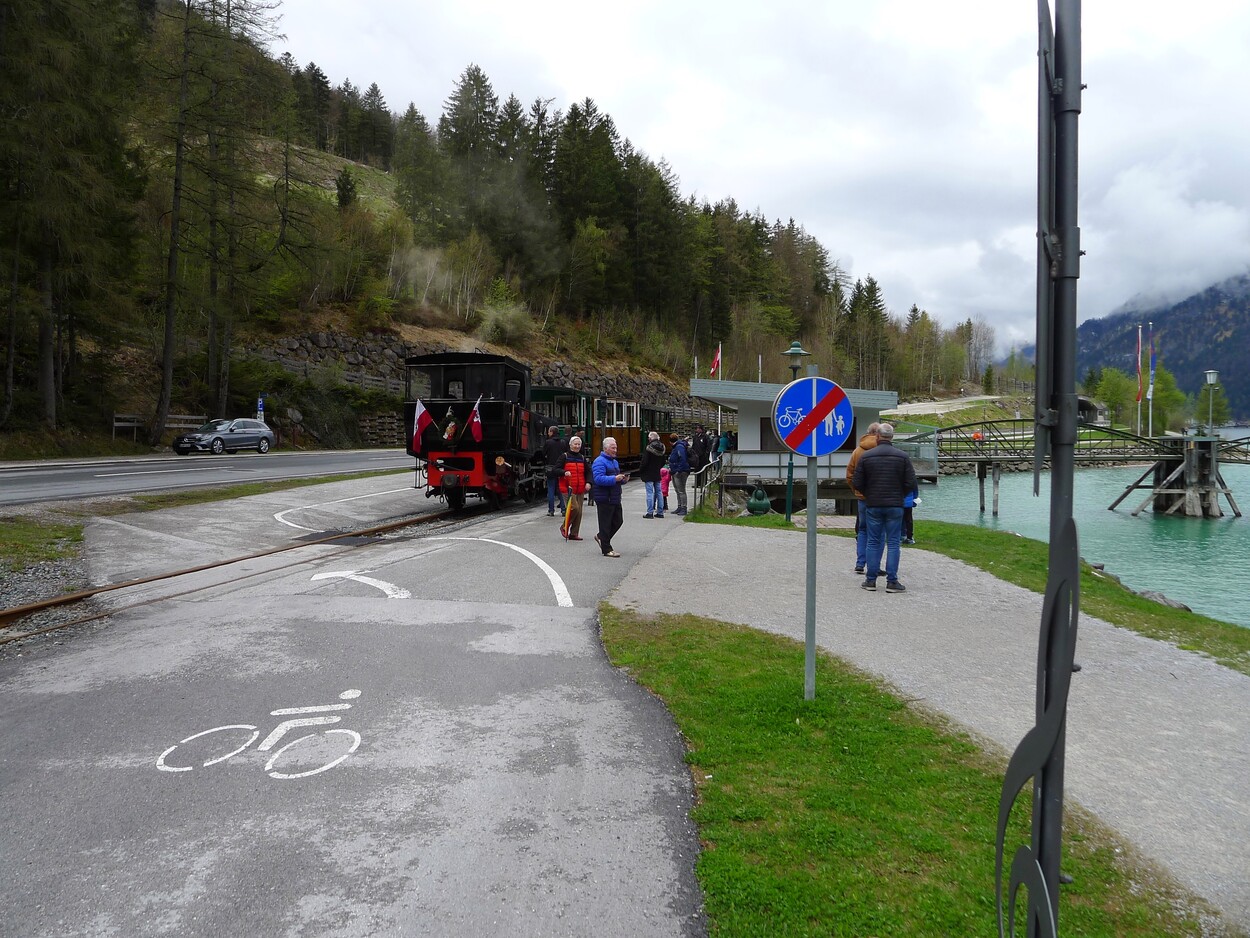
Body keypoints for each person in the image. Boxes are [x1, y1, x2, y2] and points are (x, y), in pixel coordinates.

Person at [852, 422, 917, 593]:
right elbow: (910, 482)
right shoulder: (902, 457)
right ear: (892, 437)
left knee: (873, 541)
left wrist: (869, 494)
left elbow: (857, 482)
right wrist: (899, 494)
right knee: (894, 542)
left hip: (873, 504)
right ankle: (892, 581)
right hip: (895, 505)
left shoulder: (866, 457)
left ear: (878, 436)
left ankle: (870, 580)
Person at [845, 422, 880, 576]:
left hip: (862, 497)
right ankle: (875, 566)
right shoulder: (883, 450)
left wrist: (856, 491)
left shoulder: (857, 451)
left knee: (863, 530)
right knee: (878, 532)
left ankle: (860, 563)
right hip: (879, 497)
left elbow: (849, 475)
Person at [591, 436, 628, 557]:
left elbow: (615, 477)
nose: (615, 450)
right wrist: (614, 479)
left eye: (616, 447)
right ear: (606, 448)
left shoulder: (614, 461)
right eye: (613, 448)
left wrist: (622, 479)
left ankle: (601, 537)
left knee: (618, 521)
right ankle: (606, 549)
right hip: (604, 497)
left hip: (614, 496)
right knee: (605, 523)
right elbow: (598, 479)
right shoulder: (599, 462)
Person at [559, 436, 590, 540]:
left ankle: (574, 533)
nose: (577, 446)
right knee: (575, 508)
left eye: (578, 445)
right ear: (570, 445)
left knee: (580, 512)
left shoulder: (582, 458)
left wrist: (589, 482)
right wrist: (564, 472)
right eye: (575, 444)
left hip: (580, 488)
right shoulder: (564, 456)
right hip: (568, 488)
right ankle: (564, 527)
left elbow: (588, 471)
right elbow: (555, 469)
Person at [638, 430, 666, 518]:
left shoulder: (649, 448)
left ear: (650, 438)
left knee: (650, 493)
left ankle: (650, 512)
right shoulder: (662, 448)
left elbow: (644, 461)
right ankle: (660, 512)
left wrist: (641, 470)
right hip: (657, 473)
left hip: (648, 473)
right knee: (659, 492)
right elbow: (663, 461)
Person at [542, 425, 567, 516]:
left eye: (548, 432)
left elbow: (543, 453)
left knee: (551, 489)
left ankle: (551, 510)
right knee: (561, 489)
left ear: (552, 432)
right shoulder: (563, 442)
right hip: (560, 468)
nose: (548, 433)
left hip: (551, 468)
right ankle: (563, 510)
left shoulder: (548, 442)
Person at [667, 432, 690, 515]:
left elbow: (682, 458)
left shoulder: (679, 447)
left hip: (680, 471)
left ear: (671, 441)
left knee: (681, 490)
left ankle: (683, 507)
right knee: (678, 490)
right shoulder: (677, 446)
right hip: (675, 470)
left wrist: (678, 470)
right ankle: (680, 506)